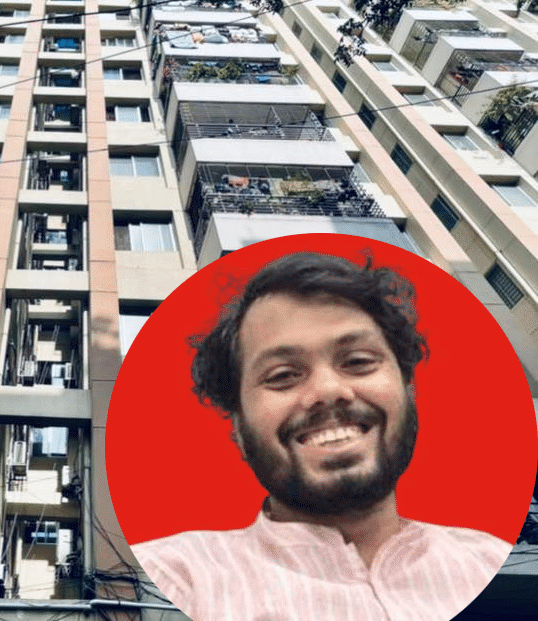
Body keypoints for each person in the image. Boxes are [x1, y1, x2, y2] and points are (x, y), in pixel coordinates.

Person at [131, 252, 512, 621]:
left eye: (358, 362)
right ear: (238, 428)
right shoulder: (170, 578)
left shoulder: (491, 560)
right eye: (283, 376)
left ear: (408, 389)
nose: (328, 391)